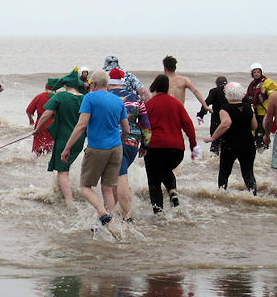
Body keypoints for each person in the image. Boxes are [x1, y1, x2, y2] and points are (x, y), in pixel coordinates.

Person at [59, 70, 130, 227]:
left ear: (95, 84)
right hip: (116, 148)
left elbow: (81, 125)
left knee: (85, 186)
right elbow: (126, 129)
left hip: (97, 148)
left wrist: (67, 148)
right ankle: (112, 225)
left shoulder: (89, 98)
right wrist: (119, 142)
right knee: (107, 189)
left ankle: (103, 213)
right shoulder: (118, 101)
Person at [144, 74, 199, 213]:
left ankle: (158, 214)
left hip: (155, 148)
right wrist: (193, 147)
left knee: (154, 180)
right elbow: (189, 126)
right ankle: (172, 192)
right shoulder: (177, 104)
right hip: (176, 151)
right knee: (166, 170)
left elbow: (143, 126)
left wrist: (142, 145)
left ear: (154, 86)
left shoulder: (149, 104)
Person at [33, 72, 86, 202]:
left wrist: (38, 129)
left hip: (64, 138)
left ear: (65, 85)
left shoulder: (61, 96)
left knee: (62, 171)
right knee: (66, 167)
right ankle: (65, 195)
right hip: (80, 139)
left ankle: (69, 202)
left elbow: (46, 115)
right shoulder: (85, 98)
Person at [108, 68, 151, 220]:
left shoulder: (104, 97)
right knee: (117, 175)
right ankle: (111, 213)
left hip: (112, 142)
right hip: (133, 143)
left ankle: (127, 216)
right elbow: (146, 125)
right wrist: (145, 145)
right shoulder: (136, 99)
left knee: (120, 177)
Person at [204, 82, 258, 194]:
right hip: (248, 143)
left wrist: (212, 138)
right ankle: (253, 195)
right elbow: (254, 126)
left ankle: (221, 194)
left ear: (227, 95)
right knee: (248, 173)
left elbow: (226, 124)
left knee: (224, 172)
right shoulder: (248, 107)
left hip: (230, 144)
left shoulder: (225, 108)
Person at [246, 63, 277, 150]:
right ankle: (257, 152)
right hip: (255, 112)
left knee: (262, 132)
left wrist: (266, 93)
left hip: (265, 112)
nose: (256, 74)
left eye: (258, 72)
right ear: (252, 74)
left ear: (261, 72)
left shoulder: (268, 82)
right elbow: (248, 96)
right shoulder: (252, 84)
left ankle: (264, 151)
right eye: (254, 72)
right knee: (254, 132)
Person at [26, 79, 56, 156]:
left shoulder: (39, 96)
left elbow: (28, 110)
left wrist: (31, 119)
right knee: (51, 148)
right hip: (54, 124)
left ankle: (38, 164)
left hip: (40, 124)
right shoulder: (58, 97)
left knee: (38, 148)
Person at [204, 76, 229, 153]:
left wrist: (201, 114)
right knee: (228, 143)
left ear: (217, 84)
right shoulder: (231, 91)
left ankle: (213, 160)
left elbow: (206, 103)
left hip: (217, 120)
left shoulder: (214, 91)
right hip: (229, 120)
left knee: (215, 142)